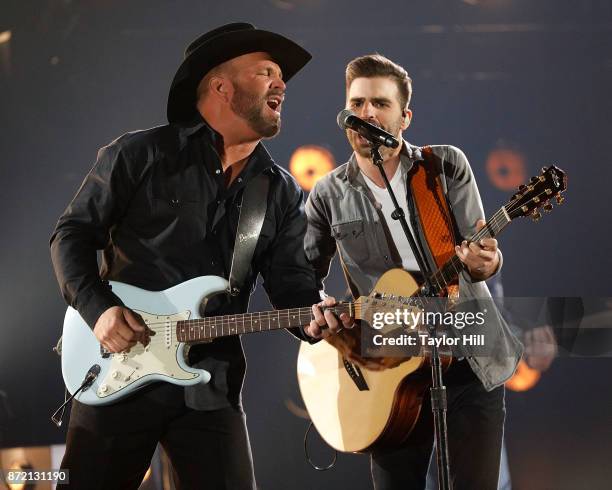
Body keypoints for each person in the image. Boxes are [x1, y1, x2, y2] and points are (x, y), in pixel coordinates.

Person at [50, 23, 320, 489]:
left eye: (281, 77)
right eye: (266, 72)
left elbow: (293, 286)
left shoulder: (280, 191)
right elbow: (71, 235)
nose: (281, 84)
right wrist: (99, 310)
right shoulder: (140, 154)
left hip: (209, 385)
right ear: (221, 86)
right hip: (117, 367)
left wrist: (317, 318)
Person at [303, 54, 523, 489]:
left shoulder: (444, 166)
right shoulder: (328, 192)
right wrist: (321, 315)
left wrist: (489, 262)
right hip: (388, 366)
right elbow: (299, 274)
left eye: (380, 104)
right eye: (357, 103)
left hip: (467, 357)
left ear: (404, 117)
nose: (366, 113)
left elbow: (480, 249)